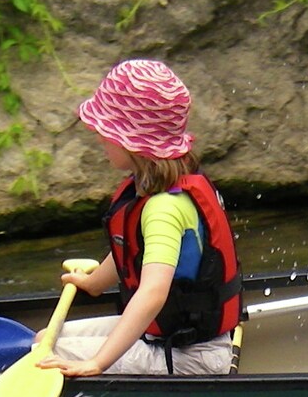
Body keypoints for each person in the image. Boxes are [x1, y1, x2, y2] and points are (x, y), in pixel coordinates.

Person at [43, 59, 242, 378]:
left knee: (45, 354)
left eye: (105, 131)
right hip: (170, 338)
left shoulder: (164, 208)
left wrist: (97, 363)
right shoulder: (161, 183)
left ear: (133, 142)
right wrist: (94, 283)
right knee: (45, 341)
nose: (98, 137)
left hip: (190, 357)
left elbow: (152, 293)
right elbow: (134, 248)